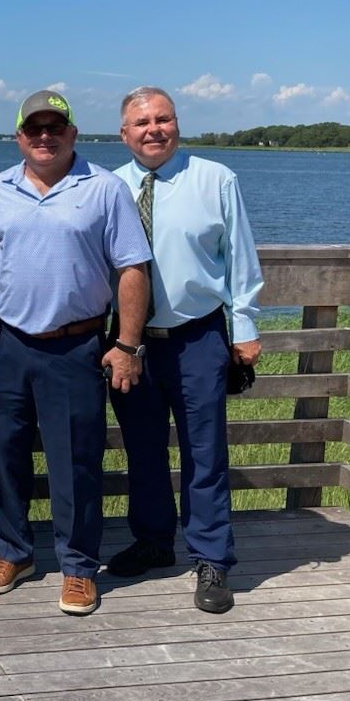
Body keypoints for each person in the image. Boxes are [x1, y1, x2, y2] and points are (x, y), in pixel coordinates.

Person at [0, 89, 150, 616]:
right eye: (34, 129)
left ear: (73, 133)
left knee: (76, 462)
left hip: (77, 345)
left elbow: (132, 268)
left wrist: (127, 343)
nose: (44, 137)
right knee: (4, 452)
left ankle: (77, 567)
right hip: (7, 342)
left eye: (55, 128)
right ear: (19, 136)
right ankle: (14, 552)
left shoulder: (105, 188)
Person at [107, 86, 264, 613]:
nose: (154, 130)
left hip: (197, 336)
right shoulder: (108, 187)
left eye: (164, 119)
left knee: (205, 453)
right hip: (131, 342)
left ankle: (212, 559)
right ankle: (154, 541)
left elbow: (240, 257)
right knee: (143, 448)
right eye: (142, 123)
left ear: (177, 124)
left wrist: (244, 327)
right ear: (123, 134)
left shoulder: (216, 179)